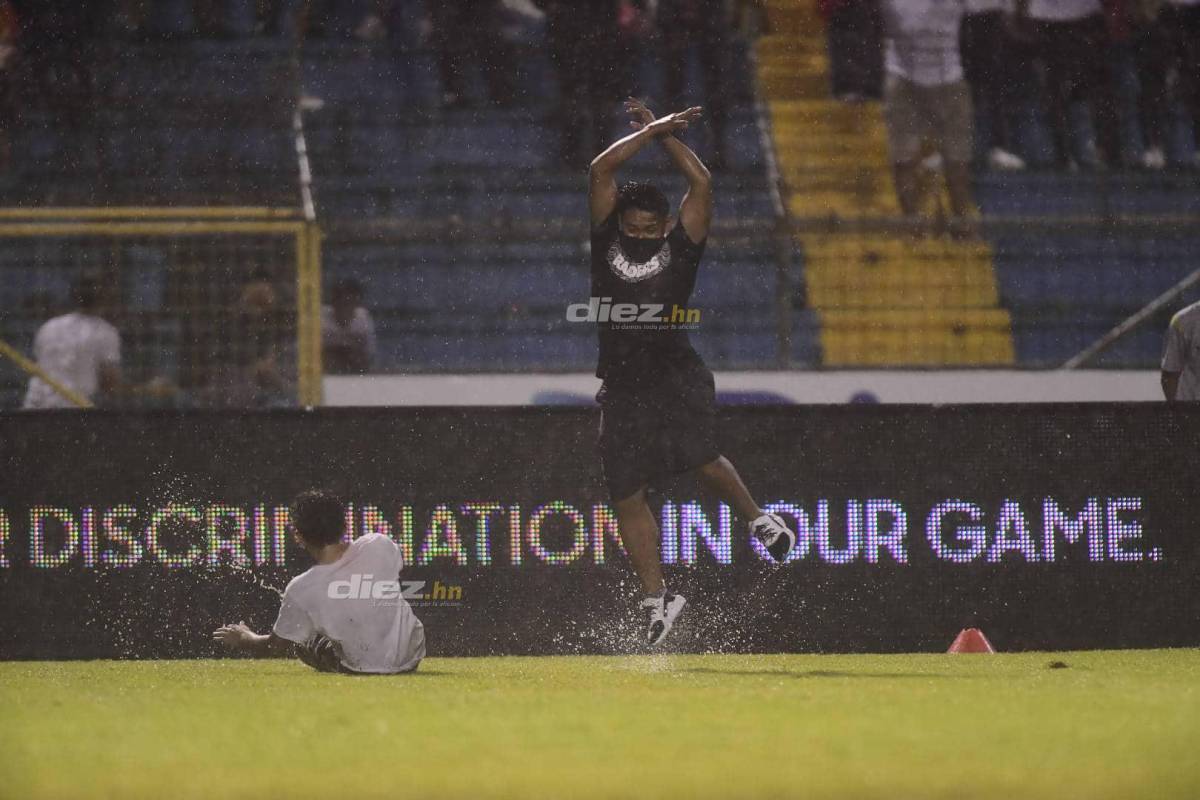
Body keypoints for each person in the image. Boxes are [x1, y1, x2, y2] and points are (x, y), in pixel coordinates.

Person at [587, 99, 797, 646]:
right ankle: (658, 602)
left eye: (648, 228)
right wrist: (652, 127)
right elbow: (599, 171)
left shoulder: (682, 247)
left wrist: (665, 139)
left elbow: (701, 183)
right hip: (622, 384)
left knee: (701, 455)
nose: (638, 234)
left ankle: (758, 520)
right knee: (627, 495)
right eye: (630, 227)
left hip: (675, 373)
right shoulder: (604, 240)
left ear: (664, 225)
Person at [213, 489, 427, 674]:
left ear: (298, 535)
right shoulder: (380, 544)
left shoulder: (301, 589)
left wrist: (244, 637)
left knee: (305, 642)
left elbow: (273, 646)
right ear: (344, 524)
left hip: (363, 669)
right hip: (411, 656)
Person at [880, 0, 975, 228]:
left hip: (948, 78)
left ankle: (962, 220)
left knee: (957, 158)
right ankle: (912, 224)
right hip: (903, 77)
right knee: (902, 157)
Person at [1014, 0, 1118, 169]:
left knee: (1095, 86)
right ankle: (1063, 155)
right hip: (1045, 18)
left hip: (1085, 16)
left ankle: (1103, 149)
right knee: (1053, 88)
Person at [657, 0, 731, 168]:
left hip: (708, 21)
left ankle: (717, 148)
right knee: (674, 88)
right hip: (678, 19)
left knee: (714, 89)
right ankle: (672, 149)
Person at [322, 278, 377, 374]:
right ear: (333, 302)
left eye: (348, 302)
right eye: (340, 302)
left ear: (356, 303)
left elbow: (369, 353)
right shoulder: (321, 318)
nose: (344, 307)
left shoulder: (363, 318)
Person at [1161, 299, 1200, 402]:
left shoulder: (1184, 319)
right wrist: (1177, 414)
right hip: (1192, 411)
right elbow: (1169, 375)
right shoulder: (1183, 320)